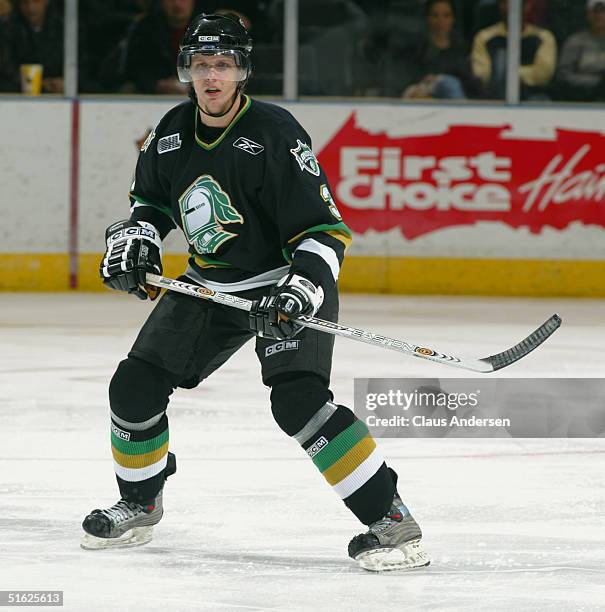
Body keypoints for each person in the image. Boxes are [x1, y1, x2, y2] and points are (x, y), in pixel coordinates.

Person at [80, 13, 430, 572]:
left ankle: (390, 521)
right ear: (186, 70)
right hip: (208, 285)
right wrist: (137, 239)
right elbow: (149, 203)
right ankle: (139, 503)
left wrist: (300, 290)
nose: (211, 76)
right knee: (133, 388)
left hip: (284, 284)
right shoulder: (170, 133)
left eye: (222, 64)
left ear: (241, 69)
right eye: (201, 64)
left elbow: (325, 231)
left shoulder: (275, 133)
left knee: (298, 403)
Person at [471, 0, 557, 100]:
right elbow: (481, 74)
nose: (508, 7)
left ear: (527, 6)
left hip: (533, 97)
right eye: (504, 2)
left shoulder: (543, 37)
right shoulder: (484, 37)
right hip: (493, 98)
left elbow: (543, 74)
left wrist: (509, 74)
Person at [402, 0, 477, 100]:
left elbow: (471, 88)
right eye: (435, 15)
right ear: (427, 18)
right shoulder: (416, 51)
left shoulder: (463, 52)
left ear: (453, 19)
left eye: (446, 15)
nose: (440, 21)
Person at [124, 0, 196, 94]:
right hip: (155, 95)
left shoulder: (207, 29)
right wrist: (157, 85)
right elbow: (135, 68)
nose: (177, 4)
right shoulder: (146, 28)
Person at [0, 0, 64, 93]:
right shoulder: (6, 27)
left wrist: (68, 82)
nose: (31, 8)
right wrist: (41, 83)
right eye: (24, 2)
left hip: (61, 96)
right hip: (16, 96)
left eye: (36, 1)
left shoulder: (63, 25)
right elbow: (6, 68)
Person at [555, 0, 605, 102]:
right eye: (595, 11)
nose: (599, 15)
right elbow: (563, 75)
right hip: (582, 100)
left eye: (603, 11)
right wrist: (597, 82)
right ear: (588, 14)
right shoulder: (575, 41)